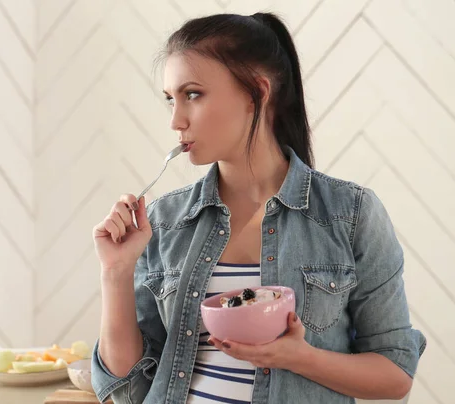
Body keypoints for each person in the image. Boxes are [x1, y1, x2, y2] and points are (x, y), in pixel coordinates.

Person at [90, 12, 426, 404]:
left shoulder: (350, 214)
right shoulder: (164, 221)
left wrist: (302, 358)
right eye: (170, 100)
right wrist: (116, 272)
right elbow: (128, 386)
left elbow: (395, 375)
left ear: (257, 93)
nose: (175, 121)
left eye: (192, 94)